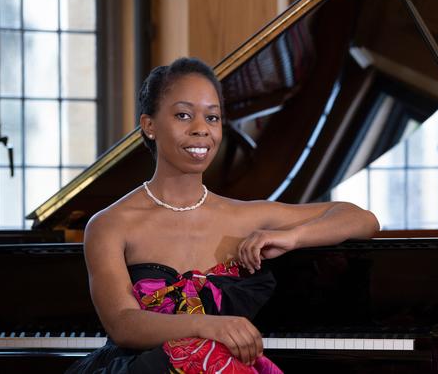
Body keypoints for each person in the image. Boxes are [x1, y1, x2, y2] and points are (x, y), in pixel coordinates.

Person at [66, 57, 380, 373]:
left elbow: (361, 219)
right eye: (183, 115)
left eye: (213, 117)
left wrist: (291, 236)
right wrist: (209, 326)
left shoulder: (244, 216)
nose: (201, 129)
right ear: (149, 125)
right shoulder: (109, 225)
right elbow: (123, 324)